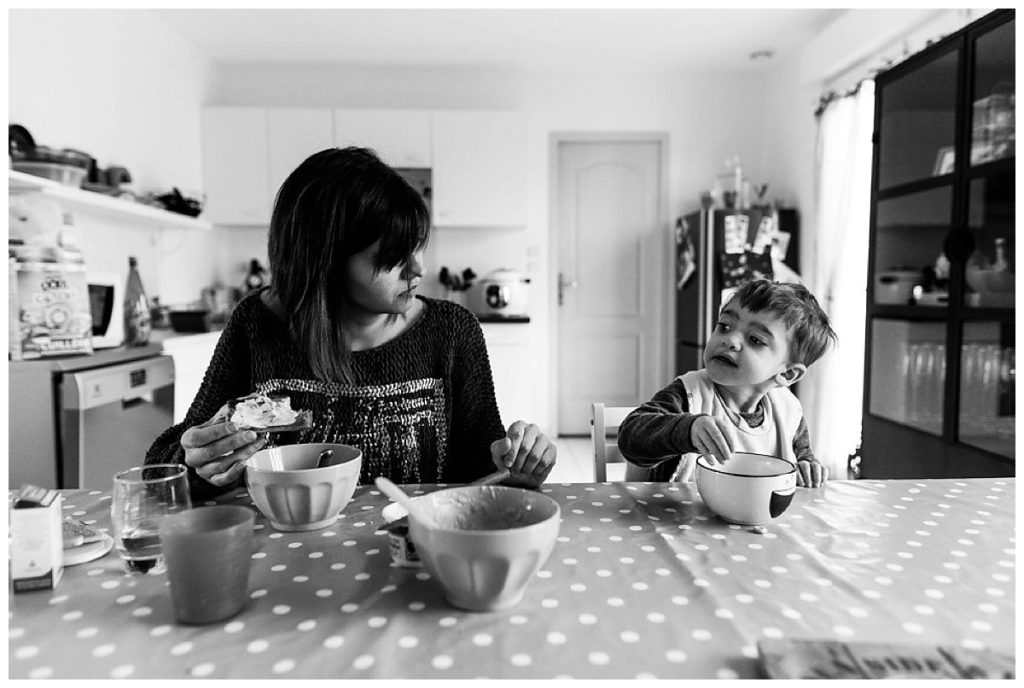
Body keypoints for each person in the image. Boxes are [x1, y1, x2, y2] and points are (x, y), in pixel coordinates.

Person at [146, 147, 556, 499]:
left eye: (417, 248)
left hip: (414, 557)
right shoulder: (257, 324)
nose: (419, 268)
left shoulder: (452, 331)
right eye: (394, 256)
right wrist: (196, 462)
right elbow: (164, 468)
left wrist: (516, 465)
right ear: (325, 259)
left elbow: (479, 465)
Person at [617, 279, 836, 487]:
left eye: (755, 340)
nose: (730, 340)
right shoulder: (689, 394)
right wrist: (687, 429)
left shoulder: (788, 411)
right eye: (725, 326)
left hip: (750, 521)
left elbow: (802, 455)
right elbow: (631, 438)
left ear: (787, 375)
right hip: (674, 521)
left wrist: (808, 467)